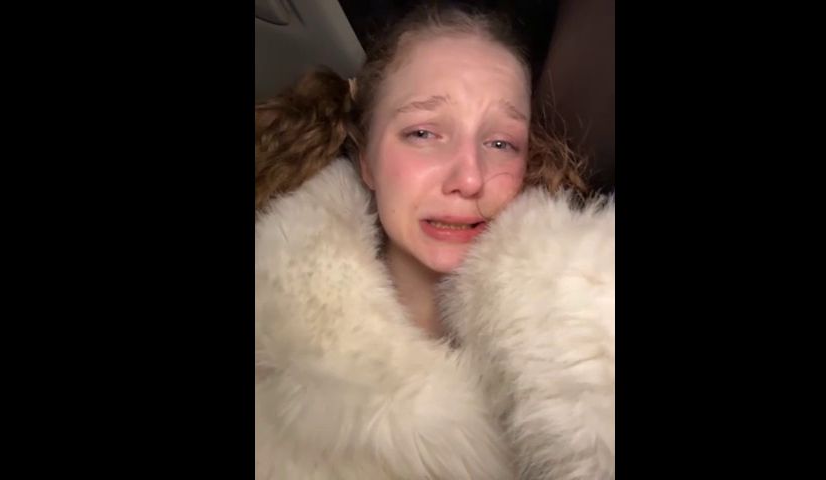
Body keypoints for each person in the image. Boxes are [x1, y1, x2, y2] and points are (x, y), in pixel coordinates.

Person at [255, 4, 614, 479]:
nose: (469, 178)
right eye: (423, 133)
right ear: (367, 161)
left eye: (501, 143)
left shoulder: (591, 334)